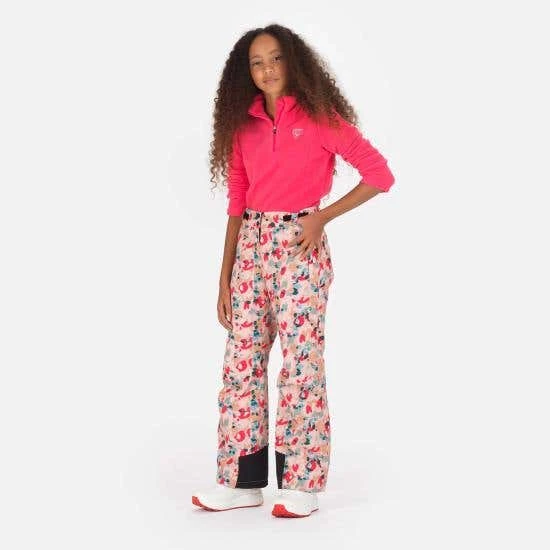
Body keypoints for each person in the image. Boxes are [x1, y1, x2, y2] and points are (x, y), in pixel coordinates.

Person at [192, 24, 395, 518]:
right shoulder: (242, 124)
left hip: (299, 247)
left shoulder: (321, 117)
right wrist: (224, 275)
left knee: (301, 364)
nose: (267, 69)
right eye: (257, 62)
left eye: (276, 58)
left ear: (293, 62)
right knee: (241, 363)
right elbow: (237, 198)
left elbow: (379, 175)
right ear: (246, 72)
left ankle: (301, 483)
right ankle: (241, 481)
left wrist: (321, 218)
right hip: (250, 248)